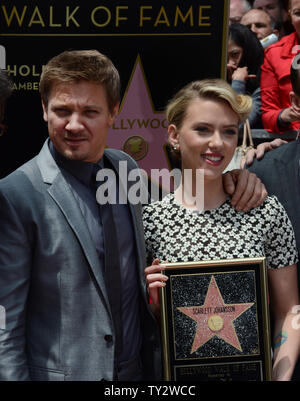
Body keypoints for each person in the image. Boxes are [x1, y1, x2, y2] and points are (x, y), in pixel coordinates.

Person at [0, 50, 265, 381]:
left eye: (90, 111)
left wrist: (234, 178)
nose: (74, 124)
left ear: (113, 113)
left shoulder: (125, 168)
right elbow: (5, 326)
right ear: (44, 110)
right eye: (62, 111)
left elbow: (183, 202)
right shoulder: (16, 194)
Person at [144, 79, 300, 381]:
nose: (217, 142)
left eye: (228, 131)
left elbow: (289, 311)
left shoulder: (265, 211)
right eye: (203, 129)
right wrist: (153, 302)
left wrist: (280, 377)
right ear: (175, 136)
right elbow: (153, 326)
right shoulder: (151, 221)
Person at [259, 0, 300, 133]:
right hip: (293, 142)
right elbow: (267, 116)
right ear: (289, 16)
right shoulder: (274, 53)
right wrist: (283, 116)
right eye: (298, 13)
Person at [227, 23, 264, 128]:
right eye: (225, 56)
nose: (230, 63)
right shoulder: (216, 80)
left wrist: (238, 83)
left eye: (235, 55)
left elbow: (237, 124)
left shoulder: (263, 83)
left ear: (248, 52)